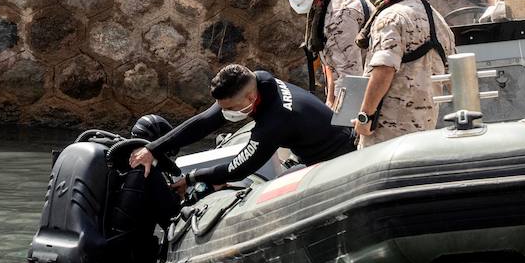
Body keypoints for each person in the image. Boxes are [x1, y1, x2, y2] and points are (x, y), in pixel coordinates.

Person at [129, 64, 357, 192]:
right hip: (311, 147)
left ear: (249, 97)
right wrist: (153, 149)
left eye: (230, 107)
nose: (225, 113)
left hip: (335, 160)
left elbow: (238, 169)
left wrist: (190, 178)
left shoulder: (275, 121)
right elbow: (204, 122)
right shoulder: (260, 81)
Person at [353, 0, 456, 149]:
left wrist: (365, 116)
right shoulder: (437, 18)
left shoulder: (390, 18)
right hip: (426, 130)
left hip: (388, 134)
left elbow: (384, 70)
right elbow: (453, 73)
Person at [279, 0, 370, 110]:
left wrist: (342, 122)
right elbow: (331, 61)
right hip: (350, 87)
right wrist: (330, 101)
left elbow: (351, 80)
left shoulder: (339, 14)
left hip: (367, 95)